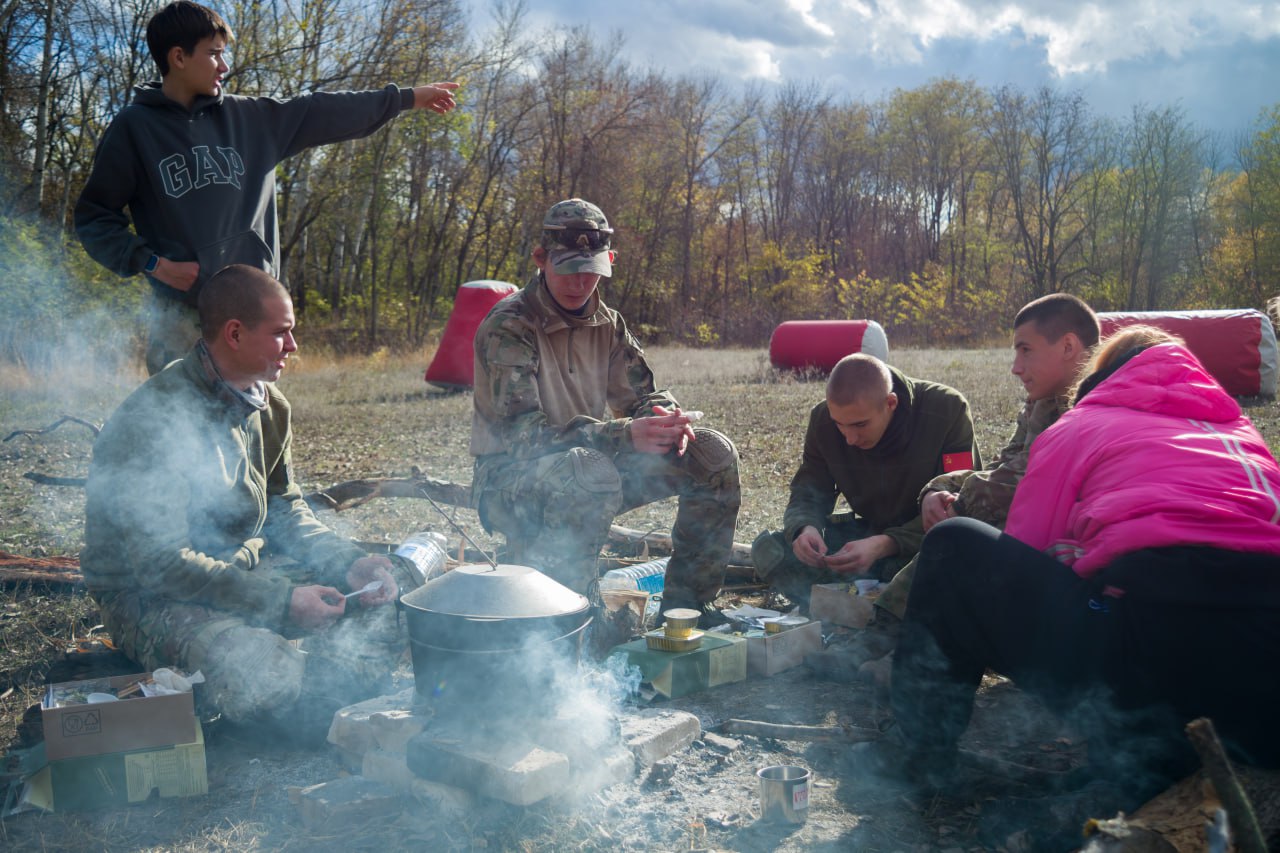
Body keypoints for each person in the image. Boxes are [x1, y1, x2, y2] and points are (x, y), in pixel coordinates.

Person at [862, 325, 1280, 812]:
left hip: (1151, 671)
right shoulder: (1244, 437)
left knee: (955, 546)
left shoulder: (1082, 424)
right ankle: (1141, 763)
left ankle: (919, 754)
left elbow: (1024, 552)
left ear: (1101, 379)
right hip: (1263, 703)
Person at [82, 264, 410, 741]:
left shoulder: (270, 407)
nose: (293, 347)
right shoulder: (155, 421)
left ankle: (333, 694)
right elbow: (160, 566)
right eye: (282, 333)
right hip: (148, 594)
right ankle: (309, 698)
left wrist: (350, 564)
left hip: (236, 574)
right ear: (235, 334)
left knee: (395, 601)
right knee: (262, 670)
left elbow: (284, 508)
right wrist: (280, 602)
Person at [74, 0, 459, 375]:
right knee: (180, 433)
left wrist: (406, 99)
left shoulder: (252, 119)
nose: (224, 65)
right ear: (178, 57)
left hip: (256, 318)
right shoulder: (134, 129)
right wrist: (155, 265)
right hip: (182, 321)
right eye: (214, 54)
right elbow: (94, 219)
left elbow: (323, 110)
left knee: (260, 429)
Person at [470, 198, 741, 627]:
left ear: (609, 260)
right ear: (541, 260)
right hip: (508, 480)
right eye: (569, 269)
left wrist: (664, 417)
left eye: (592, 269)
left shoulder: (607, 322)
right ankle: (577, 622)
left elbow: (641, 396)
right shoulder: (510, 327)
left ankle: (688, 607)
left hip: (588, 467)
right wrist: (623, 435)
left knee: (712, 455)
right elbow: (522, 438)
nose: (581, 282)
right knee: (587, 471)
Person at [824, 294, 1099, 681]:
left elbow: (1026, 481)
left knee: (955, 546)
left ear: (1069, 346)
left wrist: (961, 501)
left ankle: (899, 647)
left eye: (1025, 351)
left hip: (1074, 559)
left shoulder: (1089, 406)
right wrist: (937, 490)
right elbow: (1008, 463)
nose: (1015, 368)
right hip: (1043, 538)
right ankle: (900, 645)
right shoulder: (1044, 402)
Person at [751, 353, 980, 610]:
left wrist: (888, 544)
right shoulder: (822, 420)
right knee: (773, 552)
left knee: (950, 565)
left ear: (891, 403)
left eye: (860, 424)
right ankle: (869, 602)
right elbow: (808, 491)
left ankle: (889, 605)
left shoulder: (947, 410)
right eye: (840, 425)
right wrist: (805, 528)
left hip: (925, 542)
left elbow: (962, 506)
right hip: (866, 538)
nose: (849, 438)